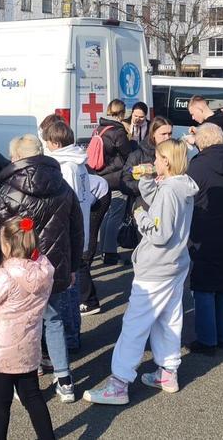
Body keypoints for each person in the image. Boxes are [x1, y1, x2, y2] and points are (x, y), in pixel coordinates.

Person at [84, 139, 197, 406]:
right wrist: (147, 180)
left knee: (135, 326)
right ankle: (168, 373)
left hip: (156, 267)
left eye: (158, 159)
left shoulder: (170, 190)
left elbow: (159, 233)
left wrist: (139, 218)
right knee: (168, 320)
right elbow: (159, 204)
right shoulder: (180, 186)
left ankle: (119, 383)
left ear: (167, 161)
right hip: (174, 264)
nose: (154, 162)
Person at [0, 134, 83, 404]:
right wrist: (74, 265)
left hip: (17, 268)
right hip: (54, 266)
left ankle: (29, 370)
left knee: (22, 320)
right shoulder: (61, 184)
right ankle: (64, 379)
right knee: (54, 319)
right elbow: (76, 227)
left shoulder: (7, 189)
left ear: (17, 158)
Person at [0, 217, 57, 440]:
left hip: (1, 351)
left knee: (0, 403)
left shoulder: (4, 276)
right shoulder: (45, 270)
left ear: (7, 246)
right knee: (32, 396)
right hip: (28, 347)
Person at [185, 123, 223, 354]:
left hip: (203, 230)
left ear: (202, 141)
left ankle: (207, 340)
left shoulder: (198, 165)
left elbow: (188, 196)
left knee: (203, 287)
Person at [41, 120, 109, 316]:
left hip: (71, 225)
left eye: (48, 142)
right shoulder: (77, 162)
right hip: (80, 221)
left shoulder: (67, 167)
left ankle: (85, 303)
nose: (46, 145)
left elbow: (67, 201)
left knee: (74, 266)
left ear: (56, 143)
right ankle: (82, 303)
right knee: (77, 264)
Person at [95, 99, 133, 265]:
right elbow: (128, 155)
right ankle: (110, 253)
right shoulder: (118, 132)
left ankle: (103, 249)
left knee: (107, 215)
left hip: (101, 177)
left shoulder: (100, 129)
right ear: (123, 114)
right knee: (115, 215)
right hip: (116, 178)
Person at [120, 116, 174, 215]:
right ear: (153, 134)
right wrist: (147, 184)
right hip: (144, 210)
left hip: (167, 209)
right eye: (163, 134)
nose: (167, 137)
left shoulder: (174, 154)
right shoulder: (138, 154)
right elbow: (124, 183)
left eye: (170, 134)